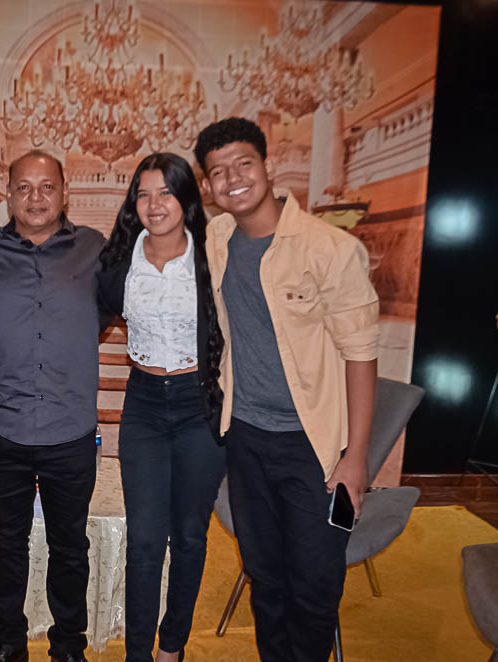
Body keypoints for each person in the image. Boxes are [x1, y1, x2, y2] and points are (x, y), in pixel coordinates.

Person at [195, 117, 379, 662]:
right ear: (208, 187)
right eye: (218, 172)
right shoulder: (218, 238)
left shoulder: (331, 249)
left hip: (316, 451)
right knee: (265, 576)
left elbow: (361, 354)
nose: (232, 179)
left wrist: (356, 456)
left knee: (315, 585)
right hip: (247, 439)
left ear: (268, 166)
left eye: (243, 164)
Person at [0, 151, 105, 662]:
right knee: (6, 542)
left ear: (65, 193)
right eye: (24, 187)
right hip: (6, 426)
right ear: (9, 194)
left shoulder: (94, 250)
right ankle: (8, 642)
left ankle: (68, 645)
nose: (36, 198)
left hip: (70, 429)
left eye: (46, 187)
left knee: (70, 545)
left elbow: (111, 308)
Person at [96, 153, 228, 662]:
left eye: (166, 193)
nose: (154, 205)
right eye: (143, 194)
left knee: (191, 537)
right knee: (146, 541)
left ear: (187, 199)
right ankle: (138, 655)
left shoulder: (214, 257)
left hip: (202, 404)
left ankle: (172, 646)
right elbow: (77, 313)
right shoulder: (118, 262)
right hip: (145, 407)